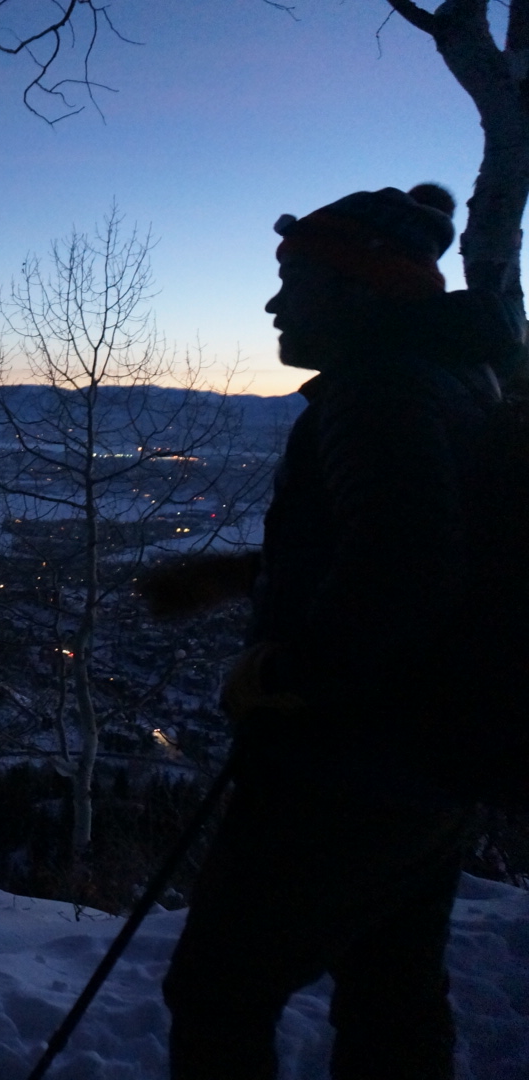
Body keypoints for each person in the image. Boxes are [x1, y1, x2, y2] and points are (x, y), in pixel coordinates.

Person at [159, 185, 521, 1079]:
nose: (277, 303)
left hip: (348, 765)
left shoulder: (378, 393)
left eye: (297, 280)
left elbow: (406, 567)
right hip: (432, 756)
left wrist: (286, 671)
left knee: (218, 990)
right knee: (391, 990)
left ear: (359, 287)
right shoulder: (453, 381)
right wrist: (240, 576)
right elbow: (423, 540)